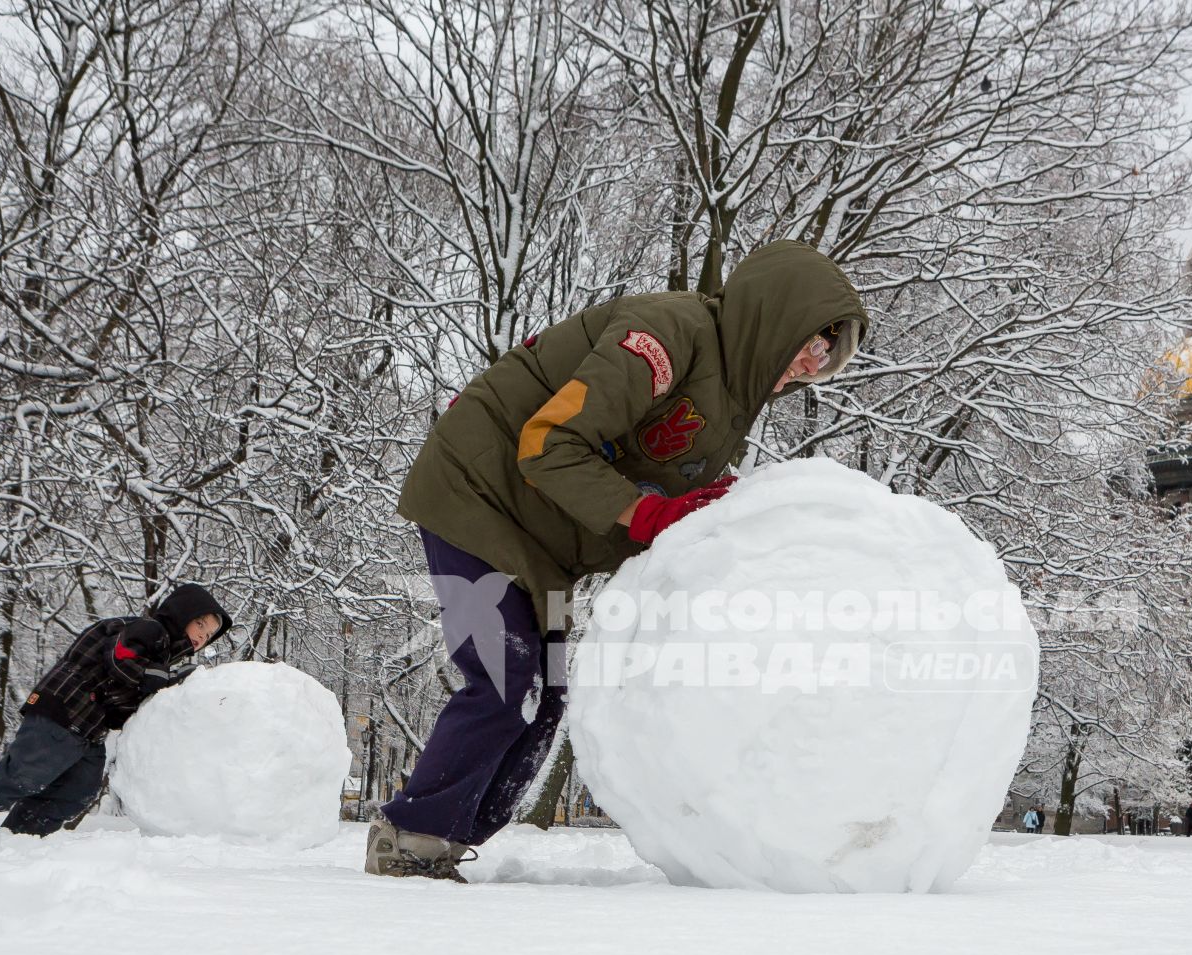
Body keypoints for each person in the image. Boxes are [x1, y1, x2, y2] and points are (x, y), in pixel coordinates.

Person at [368, 241, 868, 880]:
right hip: (477, 498)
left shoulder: (731, 409)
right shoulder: (665, 335)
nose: (811, 364)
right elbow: (549, 444)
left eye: (829, 357)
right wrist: (649, 514)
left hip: (542, 552)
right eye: (812, 341)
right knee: (504, 674)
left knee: (544, 696)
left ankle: (446, 841)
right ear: (774, 316)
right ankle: (411, 839)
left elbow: (643, 489)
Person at [0, 584, 231, 841]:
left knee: (77, 791)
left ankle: (16, 842)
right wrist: (165, 679)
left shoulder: (162, 653)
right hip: (63, 711)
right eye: (200, 624)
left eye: (209, 634)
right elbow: (121, 658)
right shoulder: (149, 630)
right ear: (181, 614)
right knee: (19, 778)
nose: (202, 636)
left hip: (89, 729)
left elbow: (126, 696)